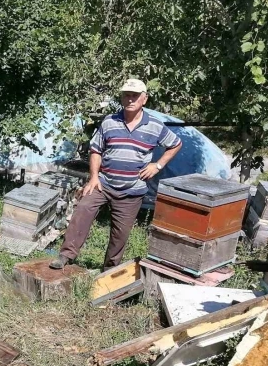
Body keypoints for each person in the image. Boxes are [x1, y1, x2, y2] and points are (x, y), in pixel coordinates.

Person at [49, 78, 182, 270]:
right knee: (83, 208)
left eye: (135, 96)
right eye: (126, 95)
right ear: (121, 97)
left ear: (144, 99)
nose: (130, 99)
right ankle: (65, 255)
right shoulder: (110, 122)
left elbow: (176, 144)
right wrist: (94, 177)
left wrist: (158, 165)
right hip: (103, 183)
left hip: (132, 190)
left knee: (120, 234)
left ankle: (109, 270)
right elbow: (96, 150)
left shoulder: (155, 125)